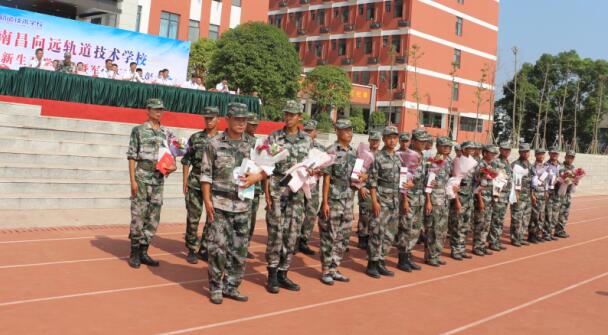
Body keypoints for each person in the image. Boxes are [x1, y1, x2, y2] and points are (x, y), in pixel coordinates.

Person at [201, 102, 266, 304]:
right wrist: (207, 200)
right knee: (217, 248)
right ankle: (216, 287)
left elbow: (267, 169)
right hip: (219, 204)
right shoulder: (214, 143)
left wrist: (256, 178)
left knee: (239, 249)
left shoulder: (254, 145)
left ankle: (232, 286)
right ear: (227, 119)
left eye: (244, 119)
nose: (241, 123)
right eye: (237, 119)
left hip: (243, 205)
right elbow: (205, 175)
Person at [264, 100, 312, 293]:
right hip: (277, 190)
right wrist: (266, 192)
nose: (288, 117)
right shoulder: (274, 137)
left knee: (292, 234)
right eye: (286, 114)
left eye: (292, 114)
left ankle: (284, 272)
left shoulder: (307, 140)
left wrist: (313, 171)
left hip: (297, 192)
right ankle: (272, 274)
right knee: (276, 233)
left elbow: (310, 164)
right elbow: (264, 166)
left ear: (299, 117)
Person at [126, 98, 177, 269]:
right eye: (155, 109)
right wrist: (132, 180)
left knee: (153, 216)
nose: (158, 112)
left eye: (161, 109)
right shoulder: (139, 130)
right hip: (142, 176)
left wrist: (172, 166)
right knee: (138, 215)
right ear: (147, 110)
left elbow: (171, 154)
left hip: (158, 178)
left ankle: (144, 250)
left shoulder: (166, 133)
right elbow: (132, 156)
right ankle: (134, 252)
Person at [319, 119, 363, 285]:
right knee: (329, 235)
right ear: (337, 132)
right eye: (345, 130)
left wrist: (362, 178)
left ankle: (334, 267)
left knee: (343, 236)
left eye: (351, 130)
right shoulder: (331, 151)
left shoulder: (353, 152)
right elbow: (326, 178)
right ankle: (325, 270)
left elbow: (356, 177)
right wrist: (325, 202)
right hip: (334, 198)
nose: (349, 133)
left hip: (348, 199)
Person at [182, 107, 219, 264]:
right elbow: (186, 160)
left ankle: (204, 247)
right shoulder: (195, 138)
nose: (209, 120)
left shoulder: (223, 140)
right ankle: (191, 248)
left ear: (218, 119)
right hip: (195, 182)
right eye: (206, 118)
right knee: (193, 217)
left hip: (215, 184)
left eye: (211, 118)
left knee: (212, 218)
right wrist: (184, 181)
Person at [366, 126, 401, 278]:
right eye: (389, 137)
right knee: (377, 232)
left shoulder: (398, 158)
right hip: (381, 199)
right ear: (384, 139)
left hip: (394, 201)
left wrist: (407, 185)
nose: (392, 140)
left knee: (389, 233)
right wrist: (374, 202)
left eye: (395, 137)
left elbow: (402, 179)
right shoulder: (378, 157)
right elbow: (372, 182)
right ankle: (372, 264)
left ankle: (381, 261)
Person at [395, 130, 429, 272]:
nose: (422, 144)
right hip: (408, 198)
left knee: (415, 230)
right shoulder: (406, 155)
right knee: (405, 229)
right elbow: (403, 179)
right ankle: (402, 259)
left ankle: (408, 256)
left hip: (419, 199)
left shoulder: (424, 157)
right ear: (413, 141)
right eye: (420, 141)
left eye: (424, 141)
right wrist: (404, 200)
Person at [423, 136, 453, 266]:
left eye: (449, 146)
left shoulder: (450, 162)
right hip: (434, 200)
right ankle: (430, 256)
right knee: (432, 229)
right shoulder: (433, 162)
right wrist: (428, 201)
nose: (447, 149)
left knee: (442, 230)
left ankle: (437, 254)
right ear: (438, 147)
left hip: (445, 200)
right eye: (444, 146)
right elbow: (428, 184)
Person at [298, 119, 325, 256]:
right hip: (298, 184)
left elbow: (325, 168)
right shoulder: (299, 145)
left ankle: (303, 240)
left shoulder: (320, 148)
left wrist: (318, 171)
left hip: (313, 185)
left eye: (310, 131)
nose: (308, 133)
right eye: (306, 130)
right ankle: (293, 239)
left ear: (316, 132)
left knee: (311, 213)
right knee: (296, 212)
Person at [449, 141, 475, 260]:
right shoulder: (457, 162)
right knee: (457, 226)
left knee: (465, 226)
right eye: (468, 148)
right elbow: (454, 184)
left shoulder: (473, 163)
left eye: (472, 149)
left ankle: (462, 249)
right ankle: (455, 250)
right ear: (463, 149)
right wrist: (457, 200)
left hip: (469, 198)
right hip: (459, 198)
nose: (470, 150)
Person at [472, 145, 499, 256]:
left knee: (487, 223)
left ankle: (482, 245)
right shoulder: (480, 165)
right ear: (484, 153)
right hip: (482, 198)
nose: (493, 155)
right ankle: (477, 246)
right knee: (480, 223)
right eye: (490, 153)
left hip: (490, 198)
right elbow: (477, 185)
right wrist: (480, 201)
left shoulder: (491, 165)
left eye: (494, 153)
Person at [357, 131, 381, 249]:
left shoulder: (381, 155)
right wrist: (361, 187)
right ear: (369, 140)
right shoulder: (363, 153)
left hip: (377, 189)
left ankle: (371, 236)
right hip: (365, 187)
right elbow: (358, 172)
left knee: (375, 214)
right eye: (373, 140)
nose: (375, 142)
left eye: (377, 140)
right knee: (364, 214)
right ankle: (362, 236)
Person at [489, 142, 512, 251]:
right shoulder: (496, 162)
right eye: (505, 149)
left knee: (500, 219)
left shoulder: (507, 162)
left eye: (508, 150)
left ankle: (496, 240)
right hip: (498, 195)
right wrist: (495, 195)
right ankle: (493, 242)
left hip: (506, 195)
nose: (507, 151)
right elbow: (493, 178)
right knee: (496, 219)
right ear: (500, 150)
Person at [245, 113, 262, 259]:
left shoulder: (259, 143)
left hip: (255, 187)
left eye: (256, 124)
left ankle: (246, 246)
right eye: (251, 124)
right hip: (242, 184)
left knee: (252, 219)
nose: (254, 127)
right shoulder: (239, 139)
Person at [510, 143, 534, 247]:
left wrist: (532, 195)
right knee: (517, 218)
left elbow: (532, 182)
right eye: (523, 151)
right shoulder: (515, 164)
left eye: (527, 151)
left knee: (526, 218)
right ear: (519, 152)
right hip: (518, 196)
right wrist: (515, 194)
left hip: (527, 196)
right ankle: (515, 238)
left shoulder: (530, 165)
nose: (525, 153)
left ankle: (521, 237)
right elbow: (511, 181)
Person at [554, 150, 577, 238]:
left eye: (572, 157)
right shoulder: (560, 167)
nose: (570, 159)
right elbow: (558, 179)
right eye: (569, 157)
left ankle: (560, 230)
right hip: (559, 193)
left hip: (567, 194)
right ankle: (548, 231)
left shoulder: (573, 168)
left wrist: (576, 181)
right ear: (565, 157)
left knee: (565, 213)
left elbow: (573, 180)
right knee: (555, 213)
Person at [530, 148, 548, 243]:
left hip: (542, 194)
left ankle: (538, 234)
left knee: (541, 215)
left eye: (543, 154)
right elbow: (531, 182)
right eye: (539, 154)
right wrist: (532, 194)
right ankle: (532, 235)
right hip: (535, 194)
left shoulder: (545, 166)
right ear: (536, 155)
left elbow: (545, 181)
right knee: (534, 216)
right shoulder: (532, 166)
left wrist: (546, 191)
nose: (541, 156)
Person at [544, 147, 561, 241]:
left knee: (555, 214)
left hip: (557, 193)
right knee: (548, 213)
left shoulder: (560, 165)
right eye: (553, 153)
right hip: (549, 192)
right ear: (549, 154)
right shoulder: (546, 165)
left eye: (556, 153)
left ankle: (550, 232)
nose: (554, 155)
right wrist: (545, 191)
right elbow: (542, 178)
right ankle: (546, 233)